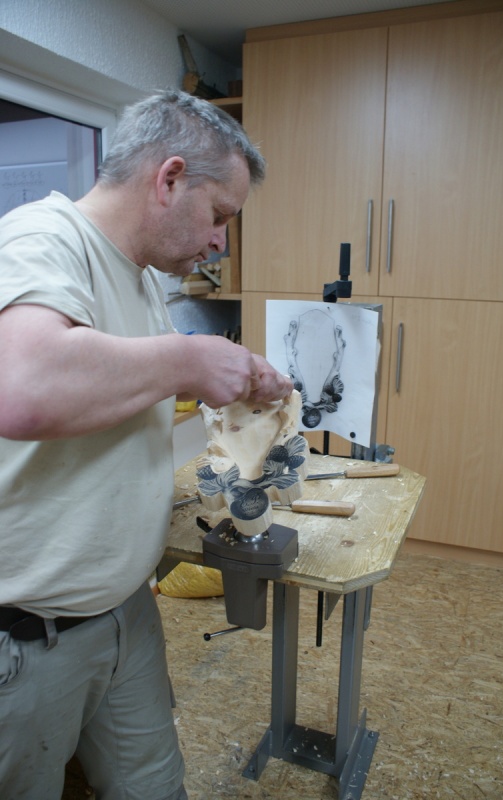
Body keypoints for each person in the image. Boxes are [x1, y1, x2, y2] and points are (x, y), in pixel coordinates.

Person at [0, 89, 293, 800]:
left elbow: (123, 386)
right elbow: (26, 387)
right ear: (168, 179)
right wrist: (190, 358)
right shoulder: (41, 237)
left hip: (124, 607)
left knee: (155, 787)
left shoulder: (140, 279)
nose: (220, 241)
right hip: (33, 634)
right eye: (219, 215)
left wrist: (232, 377)